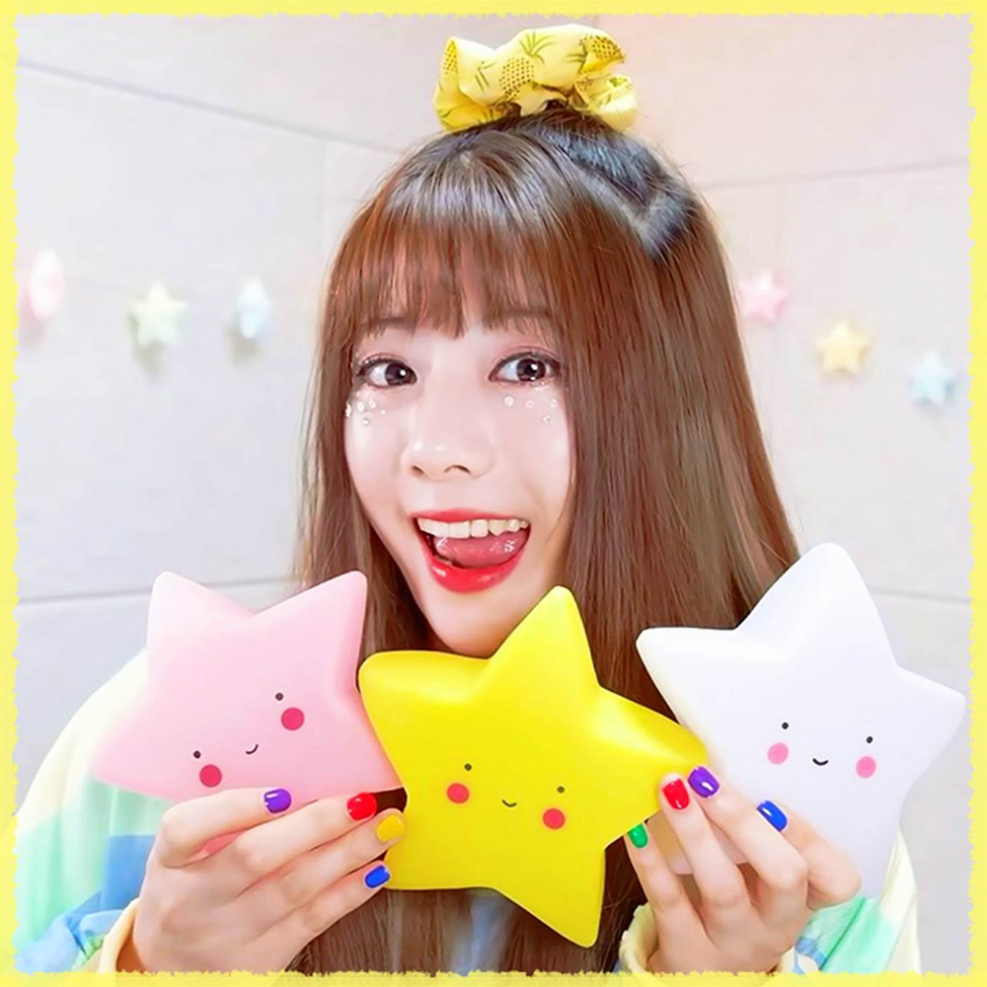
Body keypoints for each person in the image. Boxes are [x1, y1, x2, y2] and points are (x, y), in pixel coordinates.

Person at [12, 22, 922, 976]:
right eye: (388, 368)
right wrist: (151, 961)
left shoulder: (797, 820)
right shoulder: (173, 743)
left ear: (674, 408)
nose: (436, 450)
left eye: (527, 366)